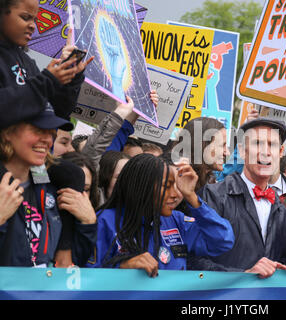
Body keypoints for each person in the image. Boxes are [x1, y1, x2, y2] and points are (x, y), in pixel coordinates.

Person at [87, 154, 235, 275]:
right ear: (141, 187)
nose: (176, 194)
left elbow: (223, 240)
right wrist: (122, 267)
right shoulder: (104, 221)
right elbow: (86, 277)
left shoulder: (176, 220)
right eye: (166, 186)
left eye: (179, 186)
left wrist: (192, 197)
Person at [191, 118, 286, 278]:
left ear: (281, 152)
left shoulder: (282, 210)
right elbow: (193, 260)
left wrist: (285, 268)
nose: (266, 151)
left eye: (272, 145)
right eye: (257, 143)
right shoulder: (213, 195)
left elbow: (278, 258)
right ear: (242, 151)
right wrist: (244, 275)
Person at [0, 105, 97, 266]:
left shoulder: (53, 189)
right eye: (38, 130)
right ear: (9, 132)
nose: (47, 140)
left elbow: (72, 267)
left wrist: (88, 223)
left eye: (52, 132)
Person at [0, 1, 92, 129]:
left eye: (35, 19)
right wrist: (47, 81)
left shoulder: (26, 61)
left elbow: (56, 115)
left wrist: (70, 76)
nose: (33, 26)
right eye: (25, 17)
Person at [173, 117, 230, 192]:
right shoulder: (174, 180)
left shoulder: (212, 184)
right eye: (221, 145)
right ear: (202, 146)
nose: (227, 152)